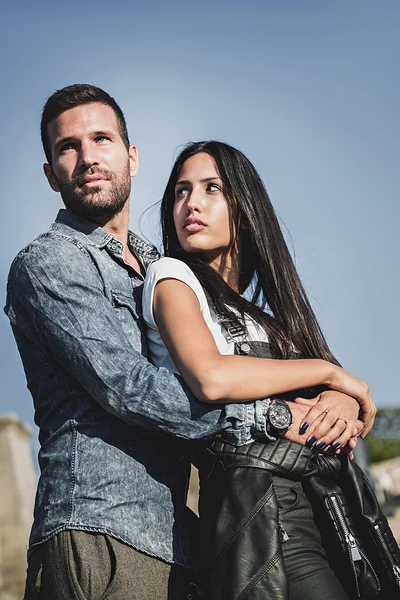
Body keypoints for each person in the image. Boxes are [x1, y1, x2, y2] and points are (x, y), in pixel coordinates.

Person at [3, 85, 315, 600]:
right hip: (100, 530)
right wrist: (275, 416)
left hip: (180, 536)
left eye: (101, 139)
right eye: (67, 147)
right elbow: (130, 388)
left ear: (131, 156)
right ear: (49, 173)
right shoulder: (49, 263)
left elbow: (225, 353)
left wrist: (329, 392)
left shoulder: (158, 265)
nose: (86, 158)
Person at [142, 141, 378, 599]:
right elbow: (211, 376)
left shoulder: (265, 316)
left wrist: (339, 400)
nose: (192, 203)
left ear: (244, 209)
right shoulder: (172, 276)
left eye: (212, 189)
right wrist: (330, 374)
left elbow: (334, 410)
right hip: (259, 516)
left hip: (325, 509)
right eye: (180, 192)